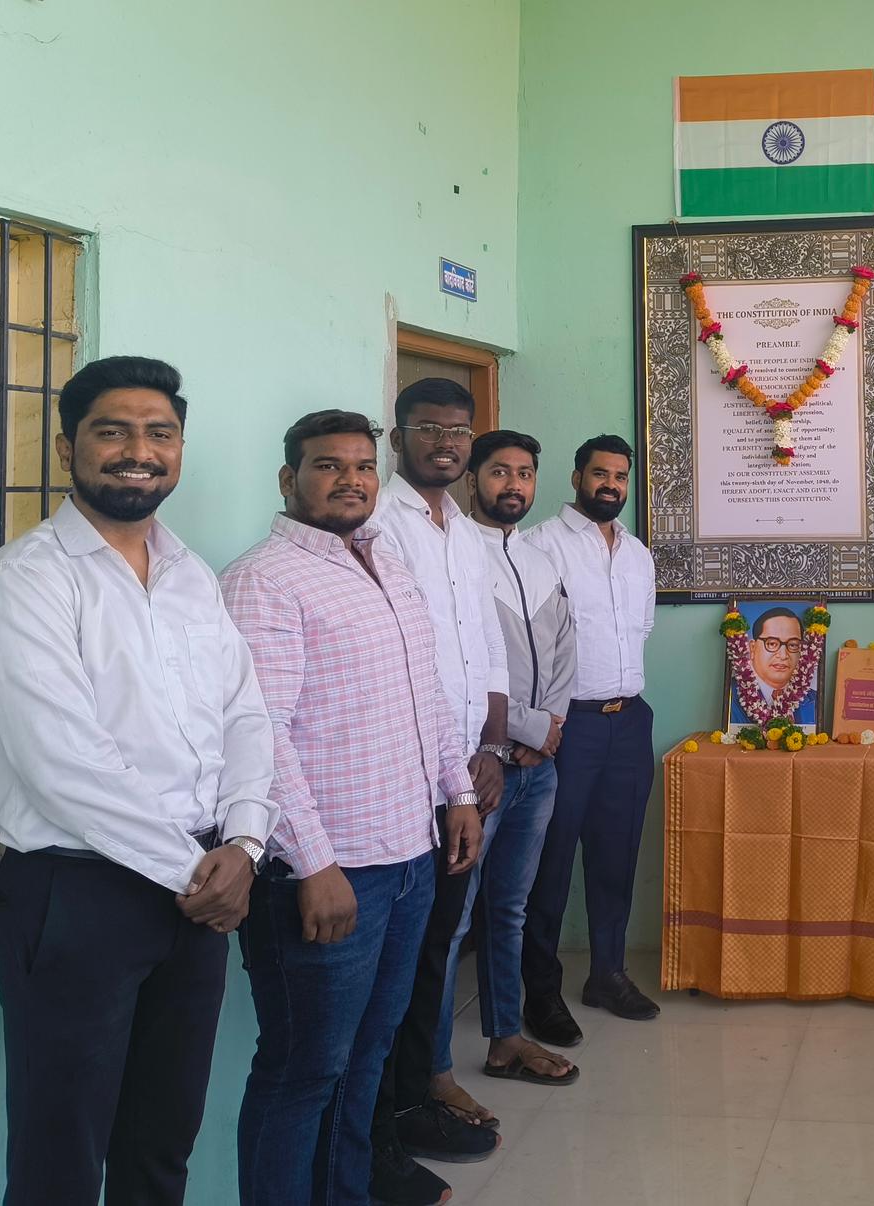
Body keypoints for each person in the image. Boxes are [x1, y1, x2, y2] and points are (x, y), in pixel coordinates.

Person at [0, 357, 276, 1206]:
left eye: (159, 433)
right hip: (80, 895)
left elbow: (245, 715)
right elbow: (64, 765)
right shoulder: (23, 583)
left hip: (203, 886)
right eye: (113, 431)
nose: (139, 450)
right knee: (62, 1158)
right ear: (67, 449)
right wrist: (202, 873)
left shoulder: (190, 574)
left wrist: (242, 842)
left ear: (178, 450)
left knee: (162, 1143)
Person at [223, 410, 483, 1206]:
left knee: (367, 1057)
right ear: (288, 479)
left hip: (407, 856)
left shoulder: (387, 565)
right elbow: (260, 736)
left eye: (363, 466)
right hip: (329, 873)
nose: (350, 480)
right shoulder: (263, 580)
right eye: (328, 465)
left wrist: (459, 793)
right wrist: (314, 860)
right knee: (304, 1069)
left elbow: (427, 698)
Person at [366, 381, 507, 1201]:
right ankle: (381, 1124)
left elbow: (485, 646)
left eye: (459, 432)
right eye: (430, 430)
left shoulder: (463, 530)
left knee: (436, 954)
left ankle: (417, 1099)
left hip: (463, 779)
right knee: (402, 963)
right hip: (404, 783)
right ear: (399, 436)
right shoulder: (377, 524)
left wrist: (489, 746)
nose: (447, 445)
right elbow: (397, 664)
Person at [522, 434, 660, 1038]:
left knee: (616, 855)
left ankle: (607, 972)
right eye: (600, 474)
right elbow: (530, 646)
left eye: (621, 477)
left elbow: (642, 630)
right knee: (549, 863)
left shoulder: (637, 554)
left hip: (628, 720)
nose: (611, 485)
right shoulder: (539, 547)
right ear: (577, 476)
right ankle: (540, 993)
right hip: (567, 726)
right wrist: (542, 723)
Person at [464, 431, 580, 1091]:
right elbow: (463, 666)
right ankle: (430, 1069)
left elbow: (566, 647)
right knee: (456, 916)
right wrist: (526, 729)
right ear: (474, 478)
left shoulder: (537, 559)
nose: (514, 485)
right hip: (482, 764)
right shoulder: (456, 558)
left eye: (525, 474)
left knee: (511, 907)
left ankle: (506, 1036)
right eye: (501, 472)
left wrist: (551, 728)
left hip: (539, 767)